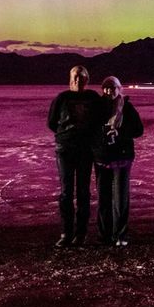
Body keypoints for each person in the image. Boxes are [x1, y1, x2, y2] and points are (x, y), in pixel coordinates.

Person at [47, 65, 101, 247]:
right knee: (66, 192)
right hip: (65, 149)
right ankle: (66, 233)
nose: (78, 79)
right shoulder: (62, 98)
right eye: (75, 76)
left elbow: (101, 119)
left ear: (87, 79)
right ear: (71, 79)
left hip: (86, 151)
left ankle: (81, 233)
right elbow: (52, 122)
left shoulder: (93, 98)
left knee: (83, 192)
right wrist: (67, 136)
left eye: (82, 76)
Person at [93, 76, 144, 247]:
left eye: (113, 87)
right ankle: (104, 235)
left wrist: (120, 132)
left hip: (121, 159)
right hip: (102, 158)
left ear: (119, 88)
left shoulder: (126, 107)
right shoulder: (98, 107)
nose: (109, 91)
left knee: (120, 199)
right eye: (106, 87)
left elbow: (139, 130)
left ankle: (120, 235)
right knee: (104, 199)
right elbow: (90, 129)